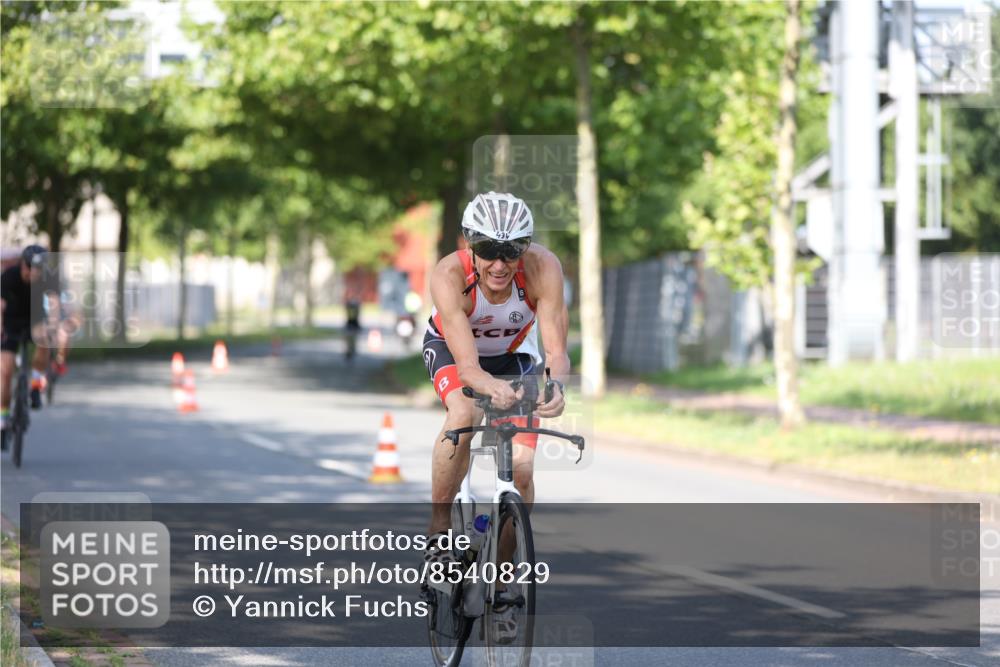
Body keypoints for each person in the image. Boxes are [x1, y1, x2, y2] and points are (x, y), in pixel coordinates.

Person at [421, 192, 569, 593]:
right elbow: (469, 369)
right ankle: (438, 533)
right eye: (489, 251)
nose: (500, 264)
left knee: (521, 475)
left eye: (511, 251)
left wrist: (555, 385)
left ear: (526, 248)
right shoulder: (449, 275)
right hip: (454, 352)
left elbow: (556, 349)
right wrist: (491, 388)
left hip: (514, 357)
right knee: (464, 413)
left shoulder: (544, 268)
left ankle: (501, 585)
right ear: (470, 243)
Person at [1, 245, 61, 449]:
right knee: (5, 373)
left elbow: (53, 303)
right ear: (23, 267)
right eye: (33, 270)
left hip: (34, 322)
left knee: (45, 338)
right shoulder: (9, 277)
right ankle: (3, 418)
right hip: (10, 324)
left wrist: (53, 325)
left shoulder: (46, 277)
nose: (36, 274)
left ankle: (36, 385)